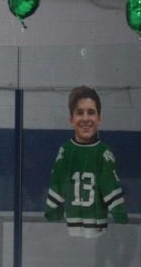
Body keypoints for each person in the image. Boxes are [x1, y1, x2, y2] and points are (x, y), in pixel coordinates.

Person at [45, 86, 128, 238]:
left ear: (99, 119)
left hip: (98, 229)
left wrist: (120, 215)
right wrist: (52, 212)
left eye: (91, 112)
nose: (85, 118)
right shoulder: (66, 151)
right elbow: (56, 183)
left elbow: (110, 188)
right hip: (70, 227)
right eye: (79, 113)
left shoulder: (103, 152)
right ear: (71, 120)